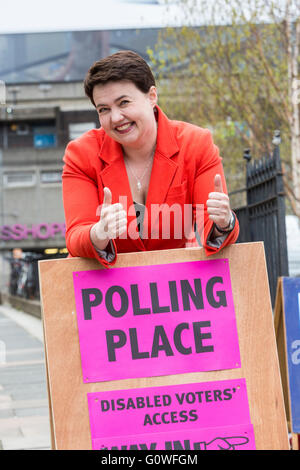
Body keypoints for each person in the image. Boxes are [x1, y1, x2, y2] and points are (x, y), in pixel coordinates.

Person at [62, 50, 239, 267]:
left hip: (172, 285)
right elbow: (75, 236)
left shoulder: (196, 144)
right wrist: (98, 234)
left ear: (151, 96)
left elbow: (213, 230)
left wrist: (224, 222)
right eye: (104, 109)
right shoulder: (80, 154)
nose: (116, 117)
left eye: (124, 102)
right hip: (106, 290)